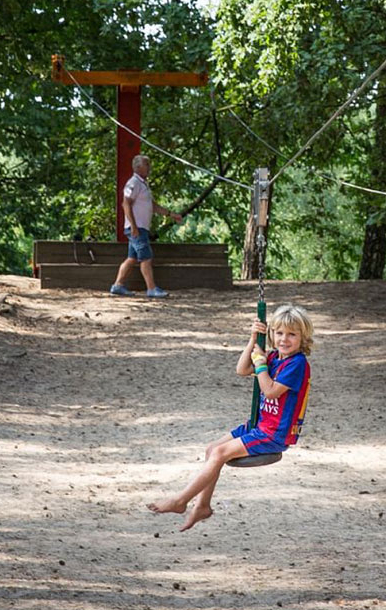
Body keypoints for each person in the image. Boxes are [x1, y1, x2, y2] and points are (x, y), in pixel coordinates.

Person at [147, 304, 314, 531]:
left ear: (302, 337)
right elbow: (242, 369)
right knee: (211, 449)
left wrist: (261, 365)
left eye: (292, 334)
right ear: (272, 333)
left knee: (220, 453)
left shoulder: (297, 364)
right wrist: (253, 339)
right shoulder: (275, 356)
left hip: (274, 432)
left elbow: (271, 390)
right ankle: (202, 506)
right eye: (279, 333)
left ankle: (180, 501)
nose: (284, 339)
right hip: (258, 423)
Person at [110, 154, 183, 298]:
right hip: (137, 228)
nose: (149, 168)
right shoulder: (133, 183)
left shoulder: (143, 184)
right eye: (147, 165)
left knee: (132, 258)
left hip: (141, 227)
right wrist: (134, 226)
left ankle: (117, 285)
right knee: (146, 257)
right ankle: (151, 289)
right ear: (138, 167)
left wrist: (171, 214)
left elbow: (152, 206)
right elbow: (126, 203)